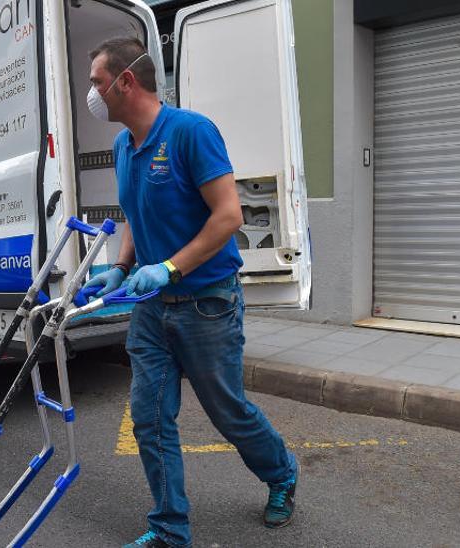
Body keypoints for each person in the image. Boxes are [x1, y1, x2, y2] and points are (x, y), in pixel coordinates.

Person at [80, 37, 298, 548]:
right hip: (152, 311)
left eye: (96, 82)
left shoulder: (190, 133)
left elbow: (229, 215)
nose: (93, 93)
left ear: (125, 81)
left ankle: (282, 473)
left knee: (229, 413)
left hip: (206, 303)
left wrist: (170, 268)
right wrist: (123, 266)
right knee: (150, 420)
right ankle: (169, 529)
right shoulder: (122, 146)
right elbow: (133, 211)